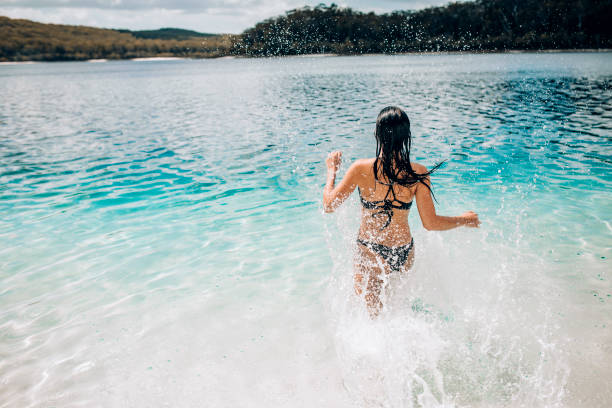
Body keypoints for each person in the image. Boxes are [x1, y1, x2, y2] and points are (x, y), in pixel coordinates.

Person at [323, 106, 480, 317]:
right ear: (407, 137)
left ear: (377, 134)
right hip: (403, 252)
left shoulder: (361, 169)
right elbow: (430, 223)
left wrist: (331, 171)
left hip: (370, 250)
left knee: (371, 319)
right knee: (397, 311)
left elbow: (329, 206)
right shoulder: (417, 173)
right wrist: (464, 220)